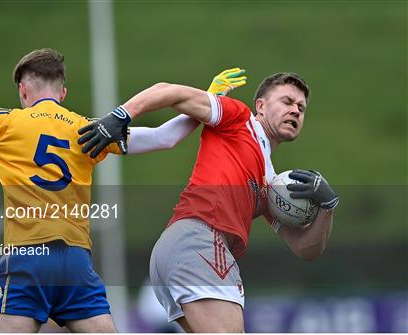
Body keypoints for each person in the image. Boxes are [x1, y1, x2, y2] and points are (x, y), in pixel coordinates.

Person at [0, 25, 247, 332]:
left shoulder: (5, 123)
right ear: (64, 92)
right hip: (75, 263)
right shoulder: (88, 130)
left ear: (22, 91)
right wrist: (208, 98)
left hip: (27, 258)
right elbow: (165, 137)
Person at [78, 71, 339, 332]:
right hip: (199, 242)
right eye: (287, 102)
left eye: (301, 108)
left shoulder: (270, 185)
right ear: (260, 105)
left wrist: (328, 207)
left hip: (178, 250)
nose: (295, 111)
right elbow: (169, 90)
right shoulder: (240, 118)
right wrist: (121, 115)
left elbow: (306, 248)